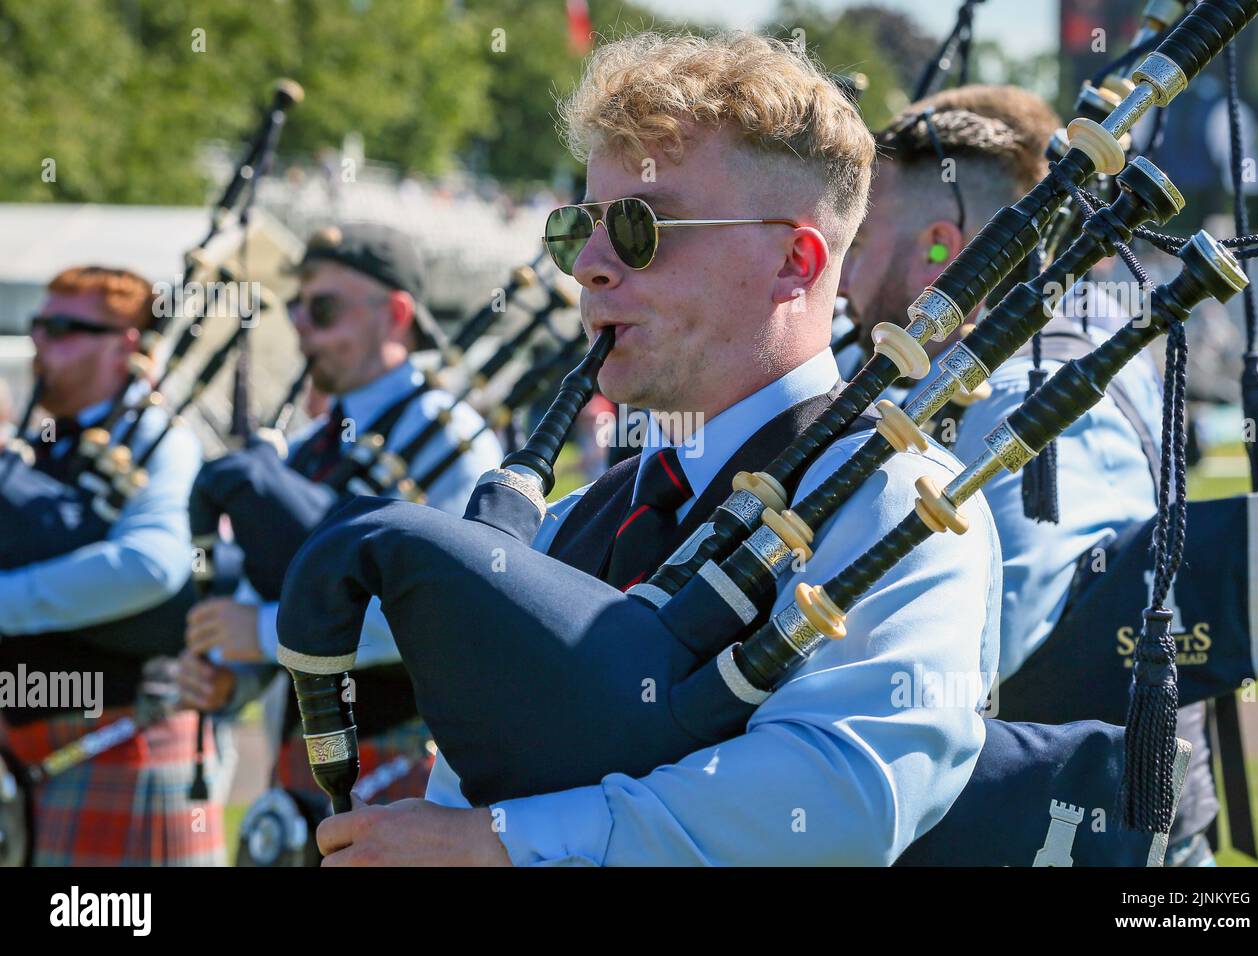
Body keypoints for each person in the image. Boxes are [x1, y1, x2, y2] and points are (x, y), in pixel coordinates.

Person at [309, 30, 1002, 866]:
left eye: (643, 226)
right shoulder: (566, 525)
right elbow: (476, 777)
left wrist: (504, 847)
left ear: (794, 259)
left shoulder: (896, 503)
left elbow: (842, 796)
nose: (591, 267)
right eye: (580, 228)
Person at [839, 84, 1217, 867]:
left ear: (941, 248)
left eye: (859, 241)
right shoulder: (1039, 359)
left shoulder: (1034, 390)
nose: (840, 278)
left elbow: (975, 655)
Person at [177, 224, 503, 804]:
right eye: (296, 307)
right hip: (302, 762)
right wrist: (234, 676)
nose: (301, 326)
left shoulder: (452, 437)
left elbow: (449, 605)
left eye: (323, 308)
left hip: (409, 763)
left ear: (395, 313)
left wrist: (259, 631)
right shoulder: (306, 448)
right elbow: (286, 593)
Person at [0, 266, 220, 865]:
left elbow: (150, 564)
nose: (42, 344)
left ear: (126, 343)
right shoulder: (41, 442)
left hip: (124, 738)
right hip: (30, 750)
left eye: (67, 328)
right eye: (39, 325)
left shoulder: (162, 439)